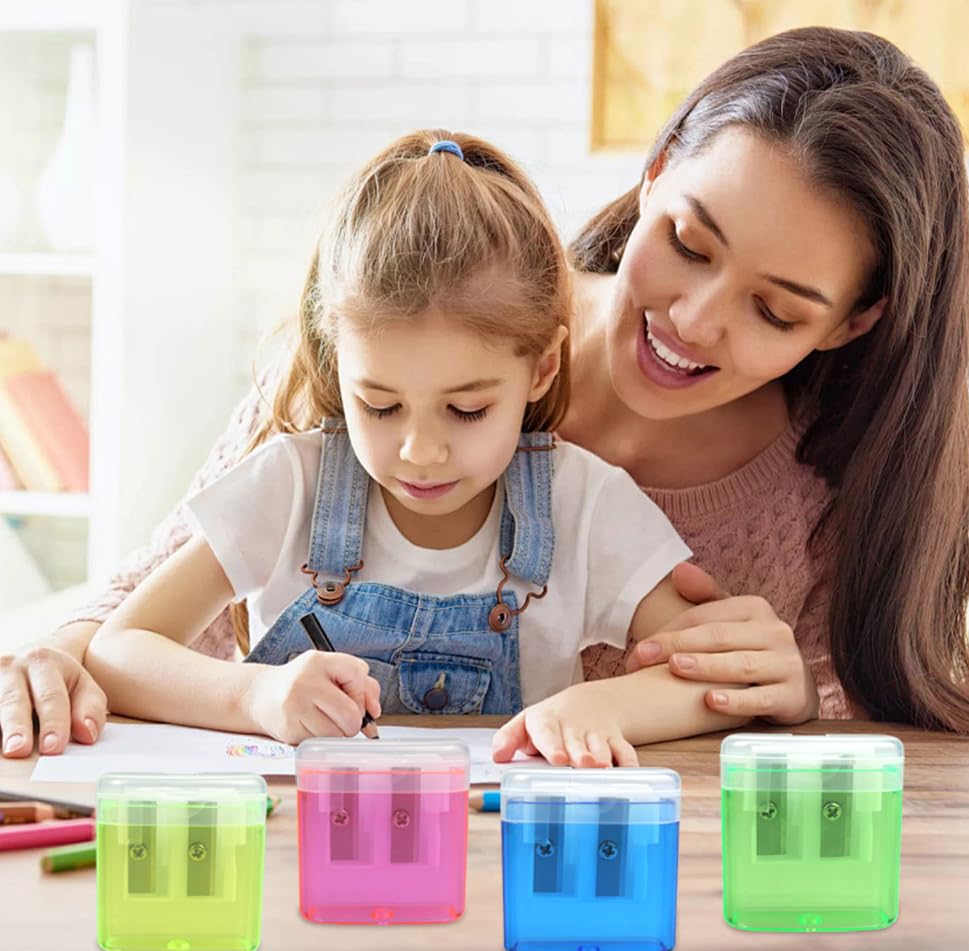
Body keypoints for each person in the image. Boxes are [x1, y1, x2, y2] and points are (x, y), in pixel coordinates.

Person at [3, 25, 969, 758]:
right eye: (689, 243)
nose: (695, 319)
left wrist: (786, 701)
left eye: (774, 311)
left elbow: (824, 736)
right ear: (654, 173)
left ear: (851, 323)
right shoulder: (415, 316)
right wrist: (62, 659)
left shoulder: (798, 493)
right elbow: (128, 617)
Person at [83, 130, 745, 768]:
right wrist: (254, 695)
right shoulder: (291, 486)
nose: (420, 452)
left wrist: (602, 706)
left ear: (542, 369)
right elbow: (119, 650)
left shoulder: (584, 506)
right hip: (300, 830)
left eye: (467, 410)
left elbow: (716, 675)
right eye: (380, 405)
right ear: (337, 362)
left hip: (492, 836)